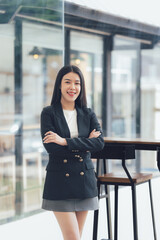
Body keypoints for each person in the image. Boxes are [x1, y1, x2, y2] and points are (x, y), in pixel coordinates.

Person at [40, 65, 104, 240]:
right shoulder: (49, 113)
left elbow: (98, 143)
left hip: (84, 181)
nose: (73, 87)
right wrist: (86, 143)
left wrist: (64, 141)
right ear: (59, 85)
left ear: (81, 87)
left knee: (77, 237)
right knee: (73, 237)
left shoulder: (88, 113)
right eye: (67, 82)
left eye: (77, 83)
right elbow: (52, 148)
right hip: (60, 181)